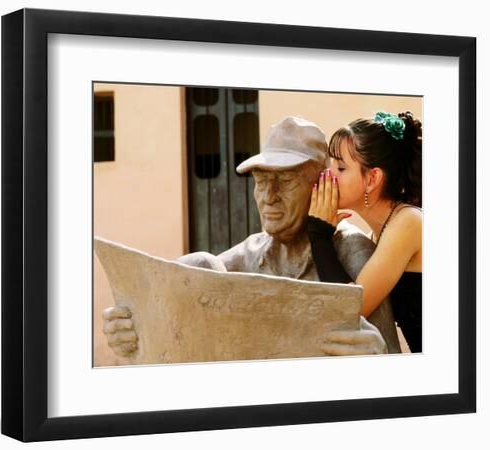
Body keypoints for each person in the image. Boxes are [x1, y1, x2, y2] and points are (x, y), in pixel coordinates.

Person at [103, 116, 401, 358]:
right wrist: (135, 328)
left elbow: (391, 358)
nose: (268, 197)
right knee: (199, 264)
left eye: (284, 181)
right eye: (261, 181)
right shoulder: (243, 258)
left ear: (321, 186)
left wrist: (376, 357)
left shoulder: (352, 250)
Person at [306, 111, 422, 352]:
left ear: (372, 178)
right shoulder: (378, 236)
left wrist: (319, 235)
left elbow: (351, 311)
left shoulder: (409, 223)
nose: (328, 176)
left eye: (340, 167)